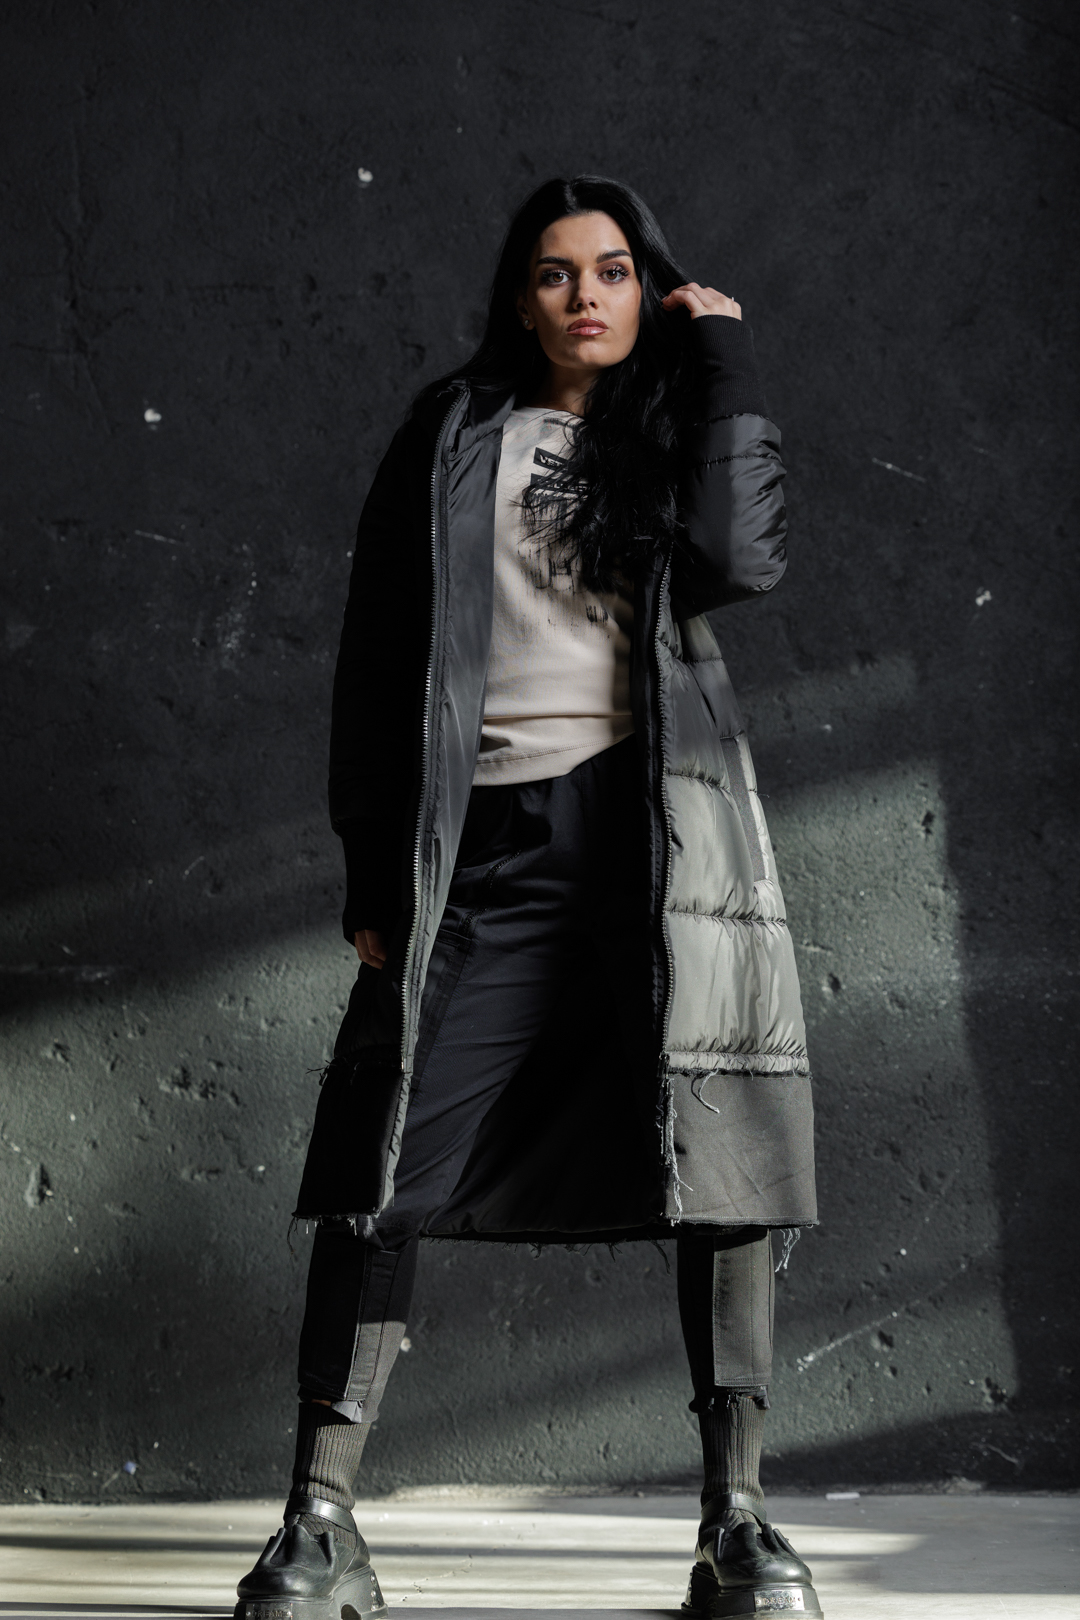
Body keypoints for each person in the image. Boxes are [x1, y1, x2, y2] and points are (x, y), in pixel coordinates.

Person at [235, 175, 821, 1620]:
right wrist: (373, 864)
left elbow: (741, 560)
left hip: (658, 839)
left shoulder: (669, 425)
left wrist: (724, 356)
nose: (587, 296)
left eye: (614, 271)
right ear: (521, 298)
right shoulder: (452, 435)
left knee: (725, 1155)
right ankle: (318, 1524)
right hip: (482, 844)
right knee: (378, 1163)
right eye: (558, 274)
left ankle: (736, 1524)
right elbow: (380, 652)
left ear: (645, 287)